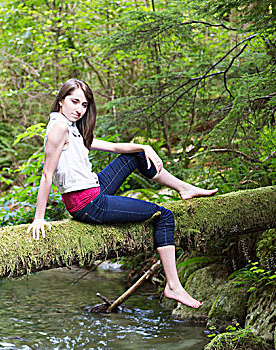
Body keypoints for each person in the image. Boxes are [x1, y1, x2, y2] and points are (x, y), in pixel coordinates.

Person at [27, 78, 217, 308]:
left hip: (93, 189)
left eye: (84, 105)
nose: (79, 109)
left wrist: (144, 147)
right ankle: (173, 286)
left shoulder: (72, 127)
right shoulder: (58, 126)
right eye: (74, 101)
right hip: (88, 204)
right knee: (164, 216)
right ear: (60, 101)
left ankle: (184, 188)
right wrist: (39, 218)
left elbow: (115, 147)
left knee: (134, 155)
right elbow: (47, 174)